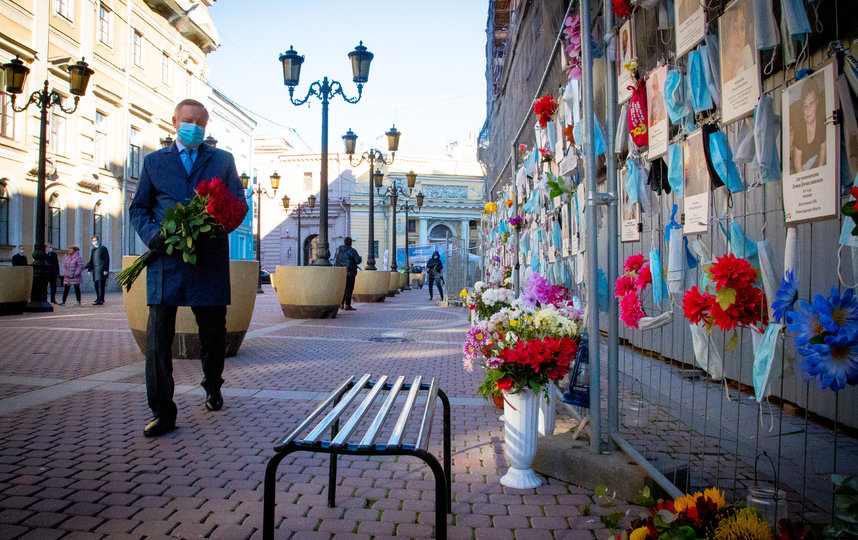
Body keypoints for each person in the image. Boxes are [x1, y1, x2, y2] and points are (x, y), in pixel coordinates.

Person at [129, 98, 248, 438]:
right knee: (158, 339)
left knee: (213, 334)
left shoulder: (222, 160)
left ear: (206, 127)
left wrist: (217, 221)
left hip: (207, 260)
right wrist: (154, 235)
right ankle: (162, 411)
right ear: (175, 121)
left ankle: (213, 386)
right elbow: (139, 208)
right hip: (166, 260)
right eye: (188, 120)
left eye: (200, 122)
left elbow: (238, 204)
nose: (194, 126)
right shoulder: (154, 162)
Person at [791, 75, 827, 174]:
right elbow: (798, 165)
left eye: (811, 103)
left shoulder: (822, 124)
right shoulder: (800, 131)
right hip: (803, 176)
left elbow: (822, 159)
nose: (808, 110)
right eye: (805, 106)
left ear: (817, 101)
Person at [334, 237, 362, 310]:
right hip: (350, 272)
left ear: (344, 242)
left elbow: (335, 261)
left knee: (342, 288)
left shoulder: (338, 250)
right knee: (349, 288)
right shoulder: (352, 251)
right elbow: (358, 260)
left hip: (340, 273)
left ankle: (341, 304)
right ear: (351, 243)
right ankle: (347, 305)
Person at [86, 236, 110, 305]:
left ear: (98, 240)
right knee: (96, 285)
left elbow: (106, 259)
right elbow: (92, 260)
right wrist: (89, 269)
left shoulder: (103, 248)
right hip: (95, 271)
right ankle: (98, 298)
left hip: (102, 270)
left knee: (101, 286)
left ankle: (101, 299)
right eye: (93, 240)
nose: (94, 242)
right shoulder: (93, 250)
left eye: (95, 240)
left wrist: (106, 269)